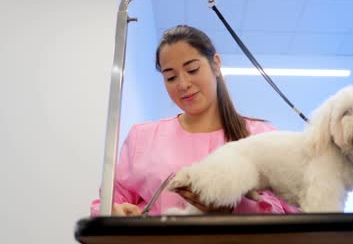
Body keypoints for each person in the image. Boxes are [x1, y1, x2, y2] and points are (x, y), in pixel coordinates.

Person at [90, 25, 300, 216]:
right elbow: (106, 203)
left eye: (192, 70)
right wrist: (116, 213)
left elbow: (294, 213)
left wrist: (233, 207)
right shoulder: (143, 137)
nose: (183, 84)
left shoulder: (261, 136)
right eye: (170, 77)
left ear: (215, 64)